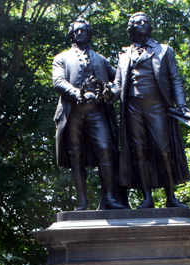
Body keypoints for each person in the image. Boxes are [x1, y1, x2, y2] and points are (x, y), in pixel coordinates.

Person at [110, 12, 190, 209]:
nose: (142, 24)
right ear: (131, 28)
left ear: (150, 28)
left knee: (163, 151)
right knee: (138, 152)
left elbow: (175, 79)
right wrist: (109, 93)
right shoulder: (124, 55)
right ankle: (147, 198)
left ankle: (171, 197)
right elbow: (118, 84)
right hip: (132, 107)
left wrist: (181, 105)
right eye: (137, 22)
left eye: (145, 22)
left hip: (156, 106)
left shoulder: (164, 50)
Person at [52, 18, 124, 211]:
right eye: (76, 31)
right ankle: (82, 202)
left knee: (105, 149)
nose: (80, 33)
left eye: (83, 30)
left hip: (97, 111)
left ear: (89, 33)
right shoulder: (62, 58)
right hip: (72, 111)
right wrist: (78, 93)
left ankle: (109, 197)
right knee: (76, 155)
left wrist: (112, 91)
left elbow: (118, 80)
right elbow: (58, 81)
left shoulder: (100, 59)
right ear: (71, 34)